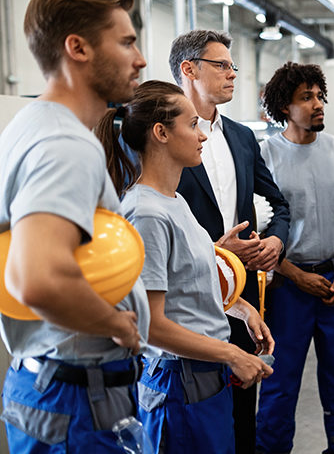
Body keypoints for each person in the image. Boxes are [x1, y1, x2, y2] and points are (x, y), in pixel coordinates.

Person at [0, 0, 149, 452]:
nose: (140, 58)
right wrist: (117, 323)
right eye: (126, 42)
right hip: (75, 400)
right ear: (77, 48)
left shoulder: (30, 124)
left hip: (52, 387)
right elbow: (38, 279)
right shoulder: (66, 145)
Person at [95, 80, 275, 453]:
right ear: (161, 133)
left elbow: (186, 280)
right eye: (192, 125)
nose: (202, 137)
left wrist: (241, 310)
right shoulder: (146, 213)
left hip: (204, 376)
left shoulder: (175, 202)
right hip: (179, 381)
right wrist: (232, 354)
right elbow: (150, 324)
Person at [168, 29, 290, 452]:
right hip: (185, 308)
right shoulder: (163, 137)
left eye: (232, 66)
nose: (232, 75)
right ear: (189, 69)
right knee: (194, 420)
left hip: (239, 298)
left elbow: (278, 202)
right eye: (221, 65)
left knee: (242, 412)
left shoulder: (241, 137)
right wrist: (218, 253)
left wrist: (275, 243)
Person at [255, 62, 334, 454]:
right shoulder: (264, 155)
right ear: (285, 106)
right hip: (287, 289)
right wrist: (295, 275)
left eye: (319, 95)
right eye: (306, 97)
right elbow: (261, 230)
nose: (318, 104)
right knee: (279, 384)